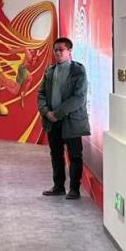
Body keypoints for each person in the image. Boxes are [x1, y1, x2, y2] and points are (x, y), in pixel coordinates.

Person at [38, 37, 90, 200]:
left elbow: (78, 98)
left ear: (69, 51)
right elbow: (41, 94)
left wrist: (57, 114)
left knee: (75, 156)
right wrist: (46, 112)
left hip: (72, 121)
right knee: (56, 154)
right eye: (56, 50)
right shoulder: (50, 71)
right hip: (52, 121)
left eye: (61, 50)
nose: (58, 53)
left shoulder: (78, 71)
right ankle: (58, 187)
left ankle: (74, 189)